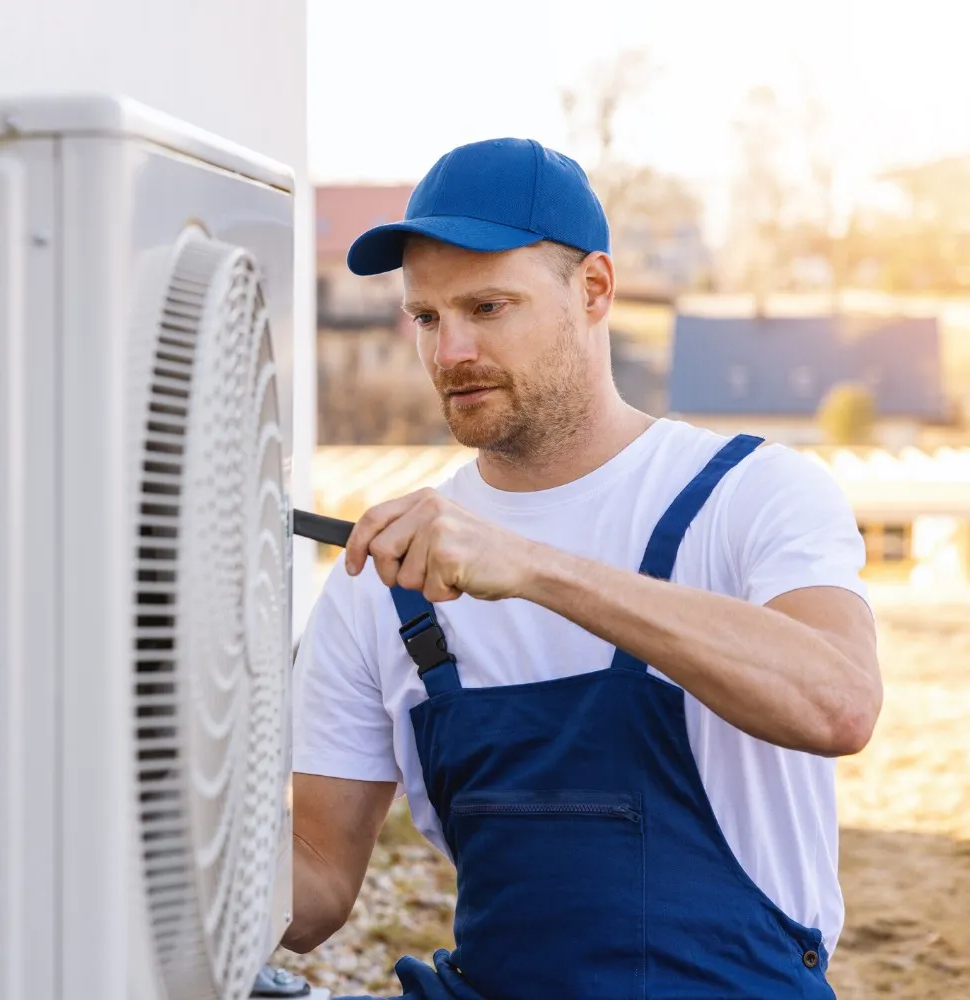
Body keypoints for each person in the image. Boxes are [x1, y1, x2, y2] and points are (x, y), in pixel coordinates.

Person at [283, 138, 881, 999]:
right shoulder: (381, 577)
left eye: (488, 308)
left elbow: (839, 702)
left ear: (594, 289)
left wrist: (533, 567)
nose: (449, 353)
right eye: (426, 317)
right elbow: (315, 895)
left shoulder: (752, 494)